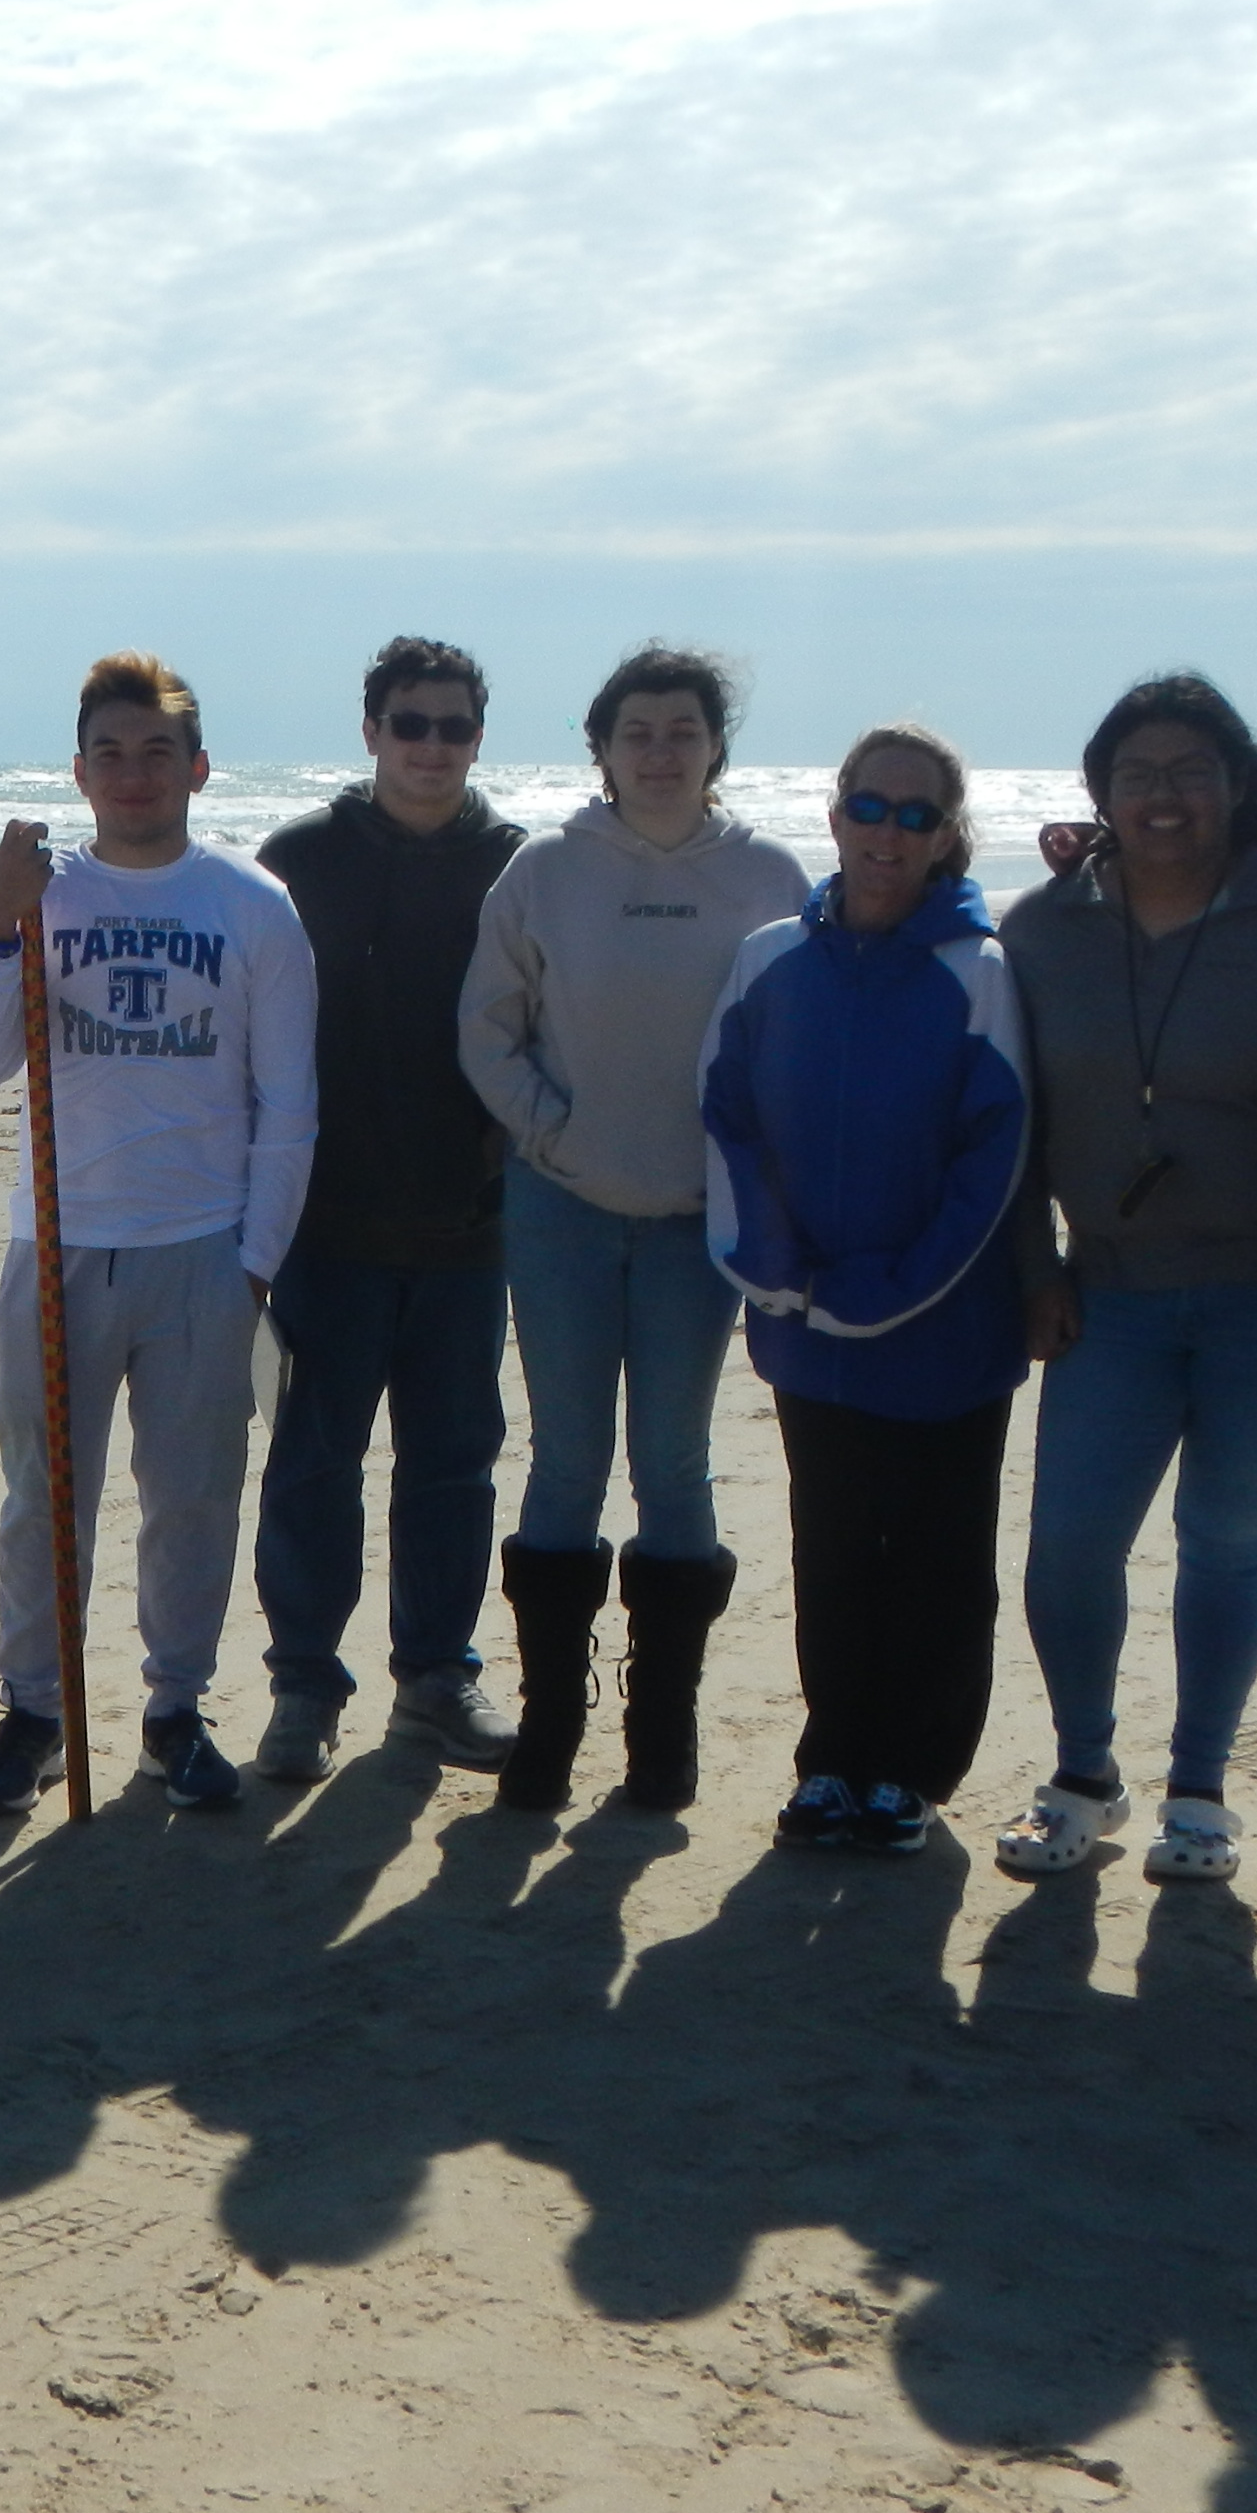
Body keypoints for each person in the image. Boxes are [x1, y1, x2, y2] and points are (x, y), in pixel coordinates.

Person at [0, 651, 318, 1816]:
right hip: (55, 1241)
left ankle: (174, 1711)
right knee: (41, 1497)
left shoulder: (250, 905)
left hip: (203, 1247)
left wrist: (253, 1265)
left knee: (192, 1496)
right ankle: (36, 1711)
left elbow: (288, 1105)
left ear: (197, 768)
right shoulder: (46, 894)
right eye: (108, 753)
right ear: (79, 773)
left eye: (157, 752)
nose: (133, 773)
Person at [461, 648, 812, 1811]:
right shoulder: (544, 870)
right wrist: (549, 1132)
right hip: (560, 1205)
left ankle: (662, 1728)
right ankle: (550, 1725)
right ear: (602, 751)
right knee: (565, 1459)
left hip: (695, 1225)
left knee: (672, 1462)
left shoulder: (766, 876)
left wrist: (747, 1173)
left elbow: (796, 1039)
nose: (661, 752)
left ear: (716, 749)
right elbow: (486, 1029)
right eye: (638, 733)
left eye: (683, 731)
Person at [988, 677, 1257, 1890]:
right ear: (1100, 795)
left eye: (1190, 772)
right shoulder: (1041, 928)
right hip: (1109, 1292)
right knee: (1069, 1548)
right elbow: (1014, 1123)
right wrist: (1034, 1271)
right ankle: (1084, 1776)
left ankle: (1199, 1790)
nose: (1163, 797)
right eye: (1137, 776)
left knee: (1227, 1544)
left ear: (1236, 786)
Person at [700, 725, 1031, 1855]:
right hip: (807, 1327)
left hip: (945, 1335)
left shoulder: (978, 971)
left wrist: (891, 1289)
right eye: (870, 807)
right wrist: (777, 1269)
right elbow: (726, 1113)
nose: (888, 833)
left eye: (915, 814)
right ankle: (832, 1761)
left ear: (945, 836)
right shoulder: (768, 959)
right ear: (836, 815)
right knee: (833, 1549)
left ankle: (912, 1771)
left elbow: (993, 1160)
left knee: (938, 1558)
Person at [245, 639, 527, 1786]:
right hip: (325, 1230)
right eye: (410, 723)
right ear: (371, 732)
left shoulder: (519, 867)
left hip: (471, 1230)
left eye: (453, 727)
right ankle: (303, 1688)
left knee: (453, 1464)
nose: (430, 746)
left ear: (477, 738)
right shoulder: (296, 862)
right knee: (313, 1463)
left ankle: (435, 1678)